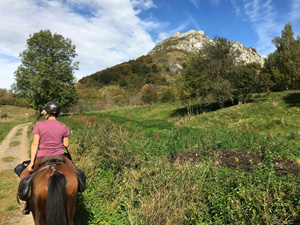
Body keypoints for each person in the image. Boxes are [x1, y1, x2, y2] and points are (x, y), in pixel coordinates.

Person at [20, 101, 76, 180]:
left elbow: (35, 144)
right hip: (60, 156)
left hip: (42, 157)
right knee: (77, 173)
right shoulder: (63, 126)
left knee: (23, 176)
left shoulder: (39, 125)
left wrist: (32, 162)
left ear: (46, 112)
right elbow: (66, 144)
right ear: (58, 113)